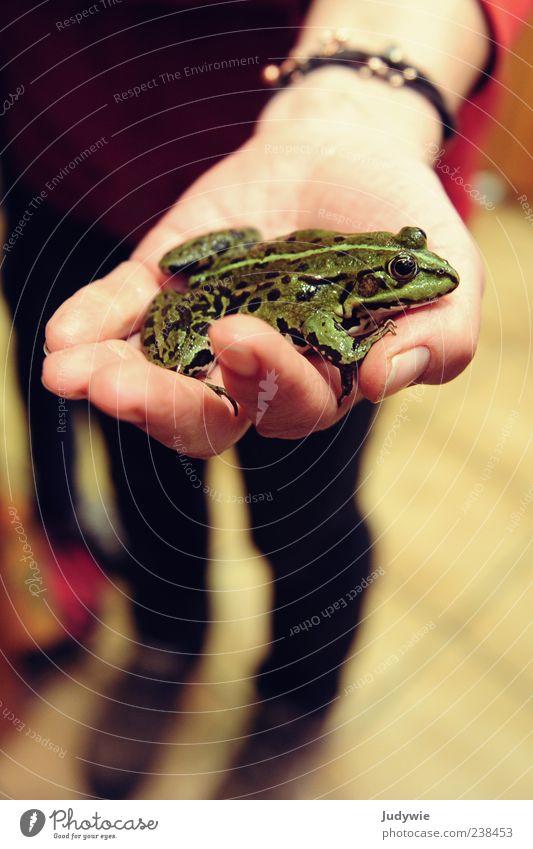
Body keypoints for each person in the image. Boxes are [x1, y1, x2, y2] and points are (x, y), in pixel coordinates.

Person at [2, 0, 531, 799]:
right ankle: (167, 644)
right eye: (395, 278)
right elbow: (323, 319)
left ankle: (295, 692)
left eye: (401, 269)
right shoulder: (334, 296)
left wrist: (354, 103)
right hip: (68, 159)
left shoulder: (365, 253)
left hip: (300, 156)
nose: (411, 283)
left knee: (303, 516)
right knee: (148, 484)